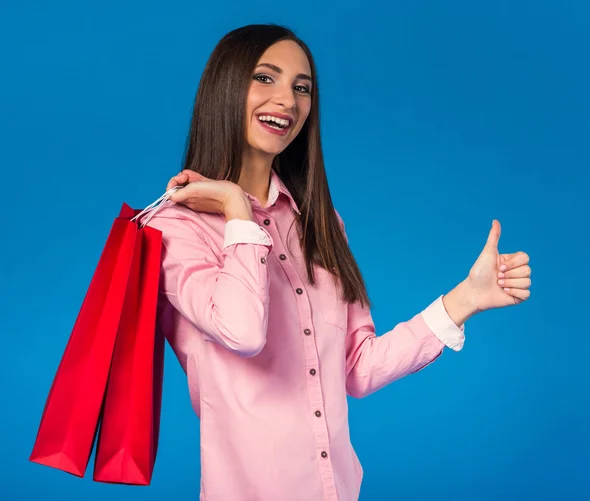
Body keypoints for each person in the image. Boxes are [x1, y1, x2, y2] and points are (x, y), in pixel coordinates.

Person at [146, 23, 532, 501]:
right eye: (265, 78)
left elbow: (358, 367)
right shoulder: (175, 229)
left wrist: (465, 299)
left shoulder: (321, 222)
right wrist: (236, 209)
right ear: (224, 87)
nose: (287, 101)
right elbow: (242, 332)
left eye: (301, 87)